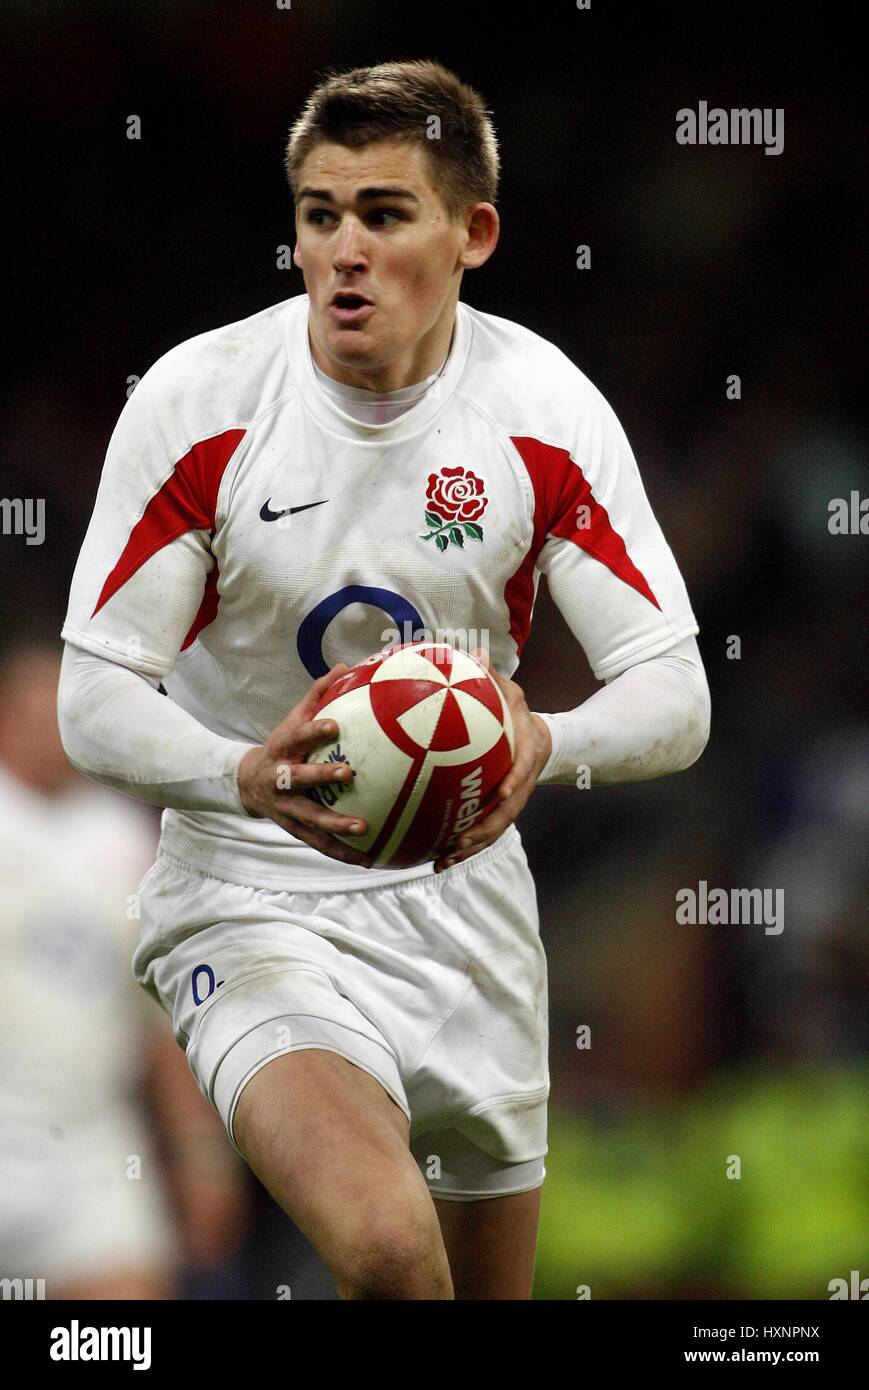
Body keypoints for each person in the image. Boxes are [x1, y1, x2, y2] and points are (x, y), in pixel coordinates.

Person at [56, 59, 710, 1300]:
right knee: (387, 1249)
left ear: (473, 235)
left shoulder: (539, 412)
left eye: (383, 213)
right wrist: (238, 774)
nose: (343, 249)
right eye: (319, 214)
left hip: (464, 905)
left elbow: (672, 689)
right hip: (249, 887)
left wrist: (542, 744)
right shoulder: (199, 404)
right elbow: (89, 695)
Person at [0, 641, 246, 1299]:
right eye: (38, 707)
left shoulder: (125, 838)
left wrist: (198, 1154)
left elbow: (158, 1012)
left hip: (87, 1140)